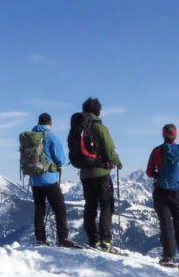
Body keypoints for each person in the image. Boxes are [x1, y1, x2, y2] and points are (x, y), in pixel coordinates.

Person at [146, 123, 179, 268]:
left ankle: (168, 257)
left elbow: (149, 172)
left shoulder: (157, 151)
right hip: (177, 192)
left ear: (163, 135)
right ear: (175, 135)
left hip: (160, 191)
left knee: (165, 224)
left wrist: (158, 174)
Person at [76, 97, 122, 252]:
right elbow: (109, 149)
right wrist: (117, 162)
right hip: (101, 172)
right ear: (98, 111)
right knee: (106, 205)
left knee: (90, 206)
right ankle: (105, 241)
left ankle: (92, 239)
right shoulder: (99, 127)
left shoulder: (79, 128)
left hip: (84, 173)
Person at [26, 113, 75, 248]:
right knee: (60, 208)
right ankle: (63, 237)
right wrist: (58, 165)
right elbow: (61, 159)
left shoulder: (30, 137)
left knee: (39, 208)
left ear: (38, 122)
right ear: (50, 124)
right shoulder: (50, 135)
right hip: (49, 179)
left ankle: (40, 238)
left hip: (34, 179)